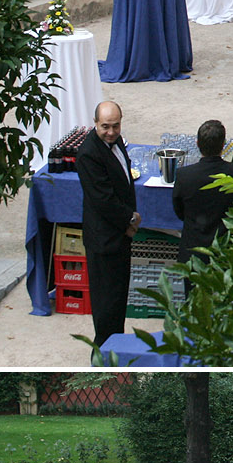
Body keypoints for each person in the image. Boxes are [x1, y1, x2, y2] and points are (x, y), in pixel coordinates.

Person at [75, 100, 142, 351]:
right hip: (104, 240)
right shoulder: (88, 153)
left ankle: (116, 346)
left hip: (119, 237)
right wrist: (130, 219)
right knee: (106, 305)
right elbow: (102, 199)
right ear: (95, 124)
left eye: (115, 126)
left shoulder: (116, 142)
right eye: (105, 126)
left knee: (117, 301)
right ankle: (103, 352)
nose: (111, 131)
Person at [172, 118, 233, 262]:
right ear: (223, 145)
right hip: (228, 252)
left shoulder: (185, 175)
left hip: (193, 254)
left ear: (197, 144)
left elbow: (179, 210)